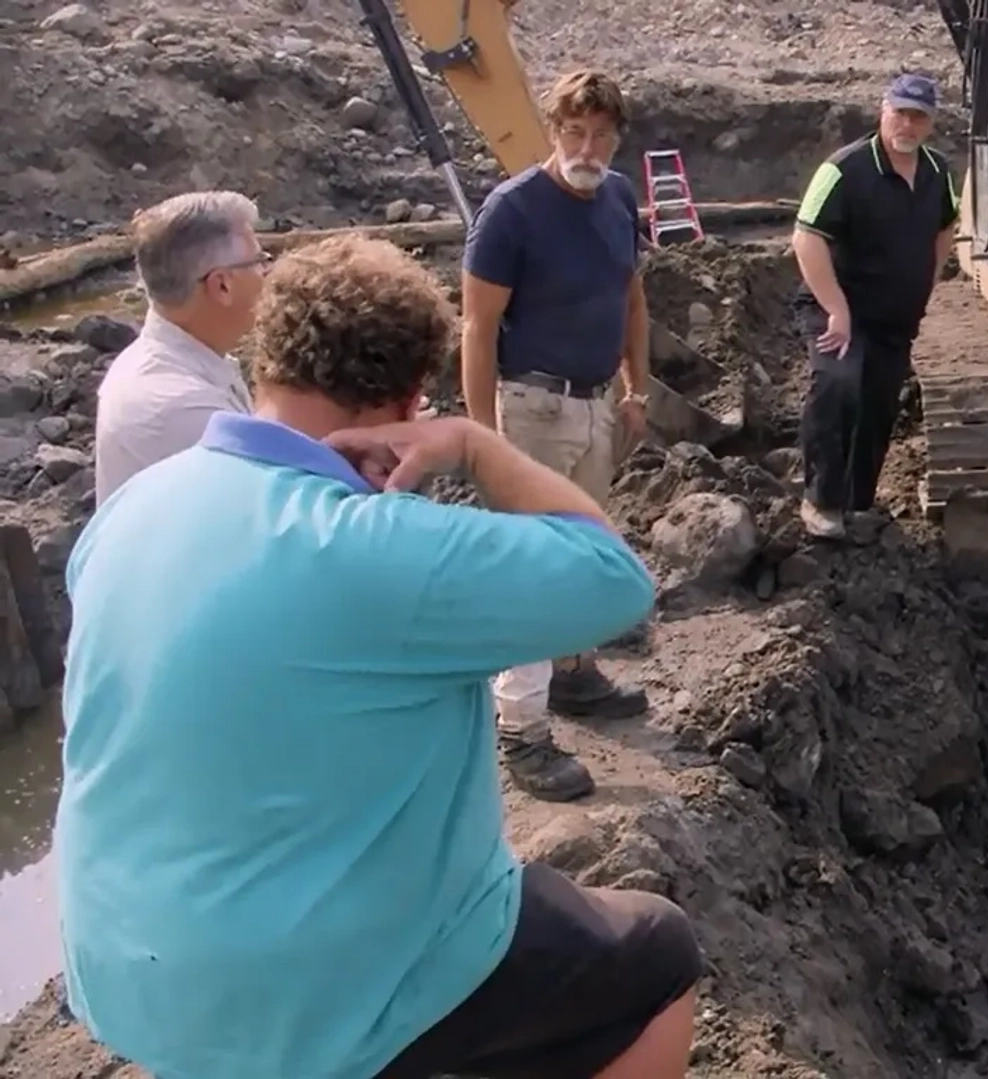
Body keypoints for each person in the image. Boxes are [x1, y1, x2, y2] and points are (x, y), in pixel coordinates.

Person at [57, 234, 702, 1079]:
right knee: (656, 953)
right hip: (304, 996)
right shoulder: (377, 546)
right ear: (407, 402)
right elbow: (616, 581)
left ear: (264, 361)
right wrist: (479, 446)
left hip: (120, 974)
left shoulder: (132, 509)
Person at [463, 68, 654, 801]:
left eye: (602, 134)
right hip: (532, 404)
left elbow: (631, 296)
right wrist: (485, 439)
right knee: (531, 568)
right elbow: (477, 328)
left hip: (596, 401)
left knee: (586, 549)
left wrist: (635, 387)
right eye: (575, 131)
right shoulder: (512, 212)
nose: (588, 146)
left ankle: (574, 671)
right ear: (553, 131)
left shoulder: (617, 197)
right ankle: (521, 729)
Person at [790, 72, 958, 540]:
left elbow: (946, 225)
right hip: (838, 307)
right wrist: (836, 309)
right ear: (883, 110)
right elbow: (806, 238)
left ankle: (858, 501)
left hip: (894, 313)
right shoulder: (844, 169)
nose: (907, 123)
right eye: (899, 112)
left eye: (918, 116)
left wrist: (928, 280)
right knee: (838, 385)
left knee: (879, 404)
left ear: (930, 123)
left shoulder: (938, 172)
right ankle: (821, 500)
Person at [94, 189, 267, 502]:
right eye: (258, 261)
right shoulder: (182, 408)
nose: (266, 273)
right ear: (222, 285)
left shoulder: (180, 359)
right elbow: (272, 510)